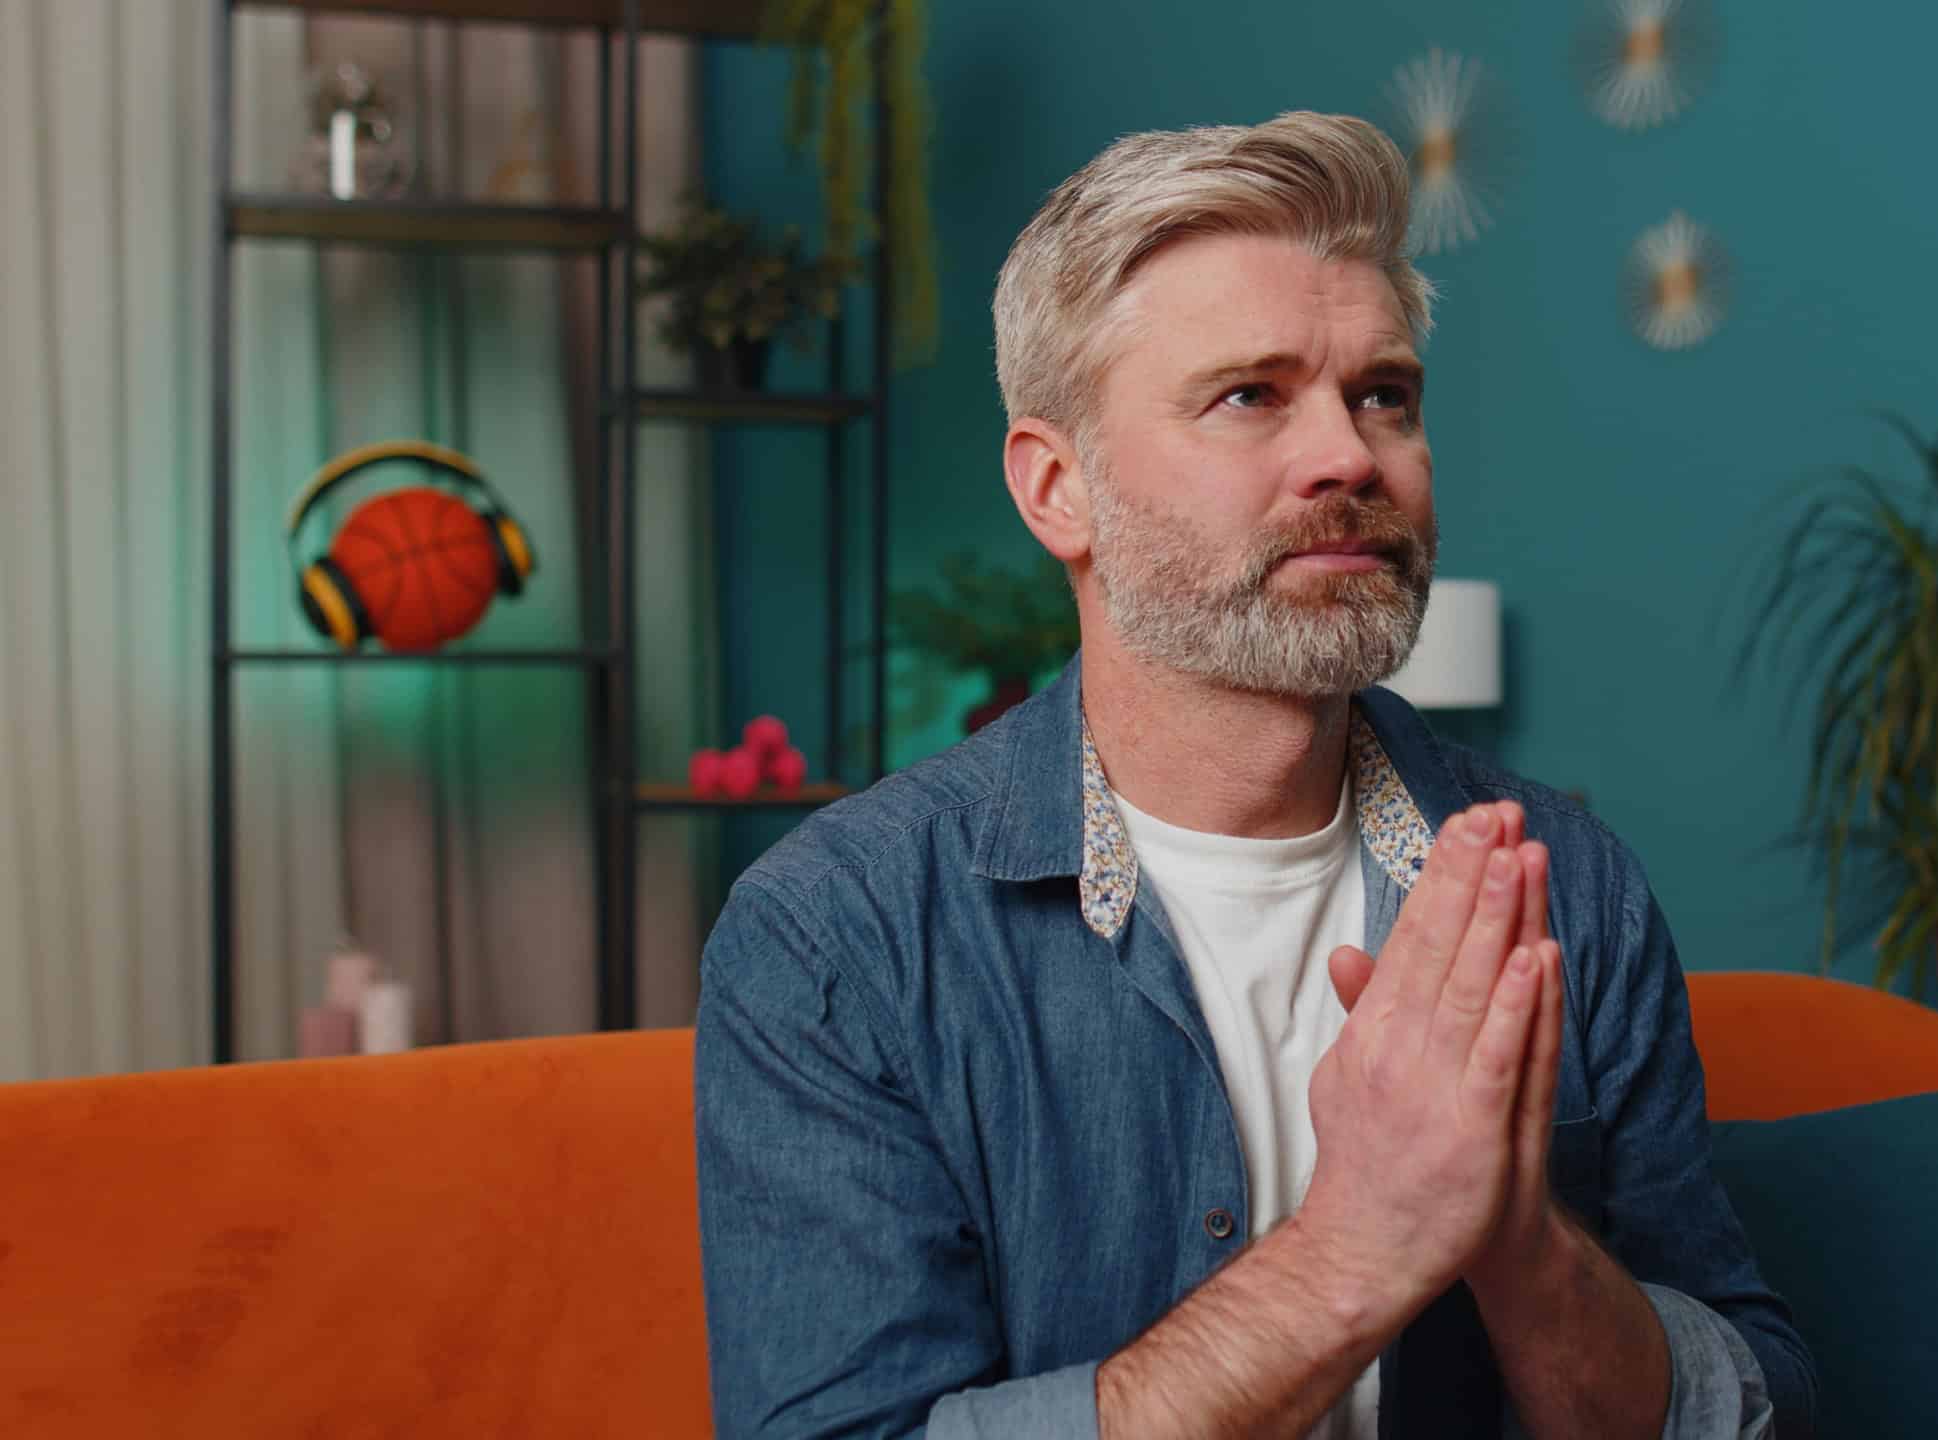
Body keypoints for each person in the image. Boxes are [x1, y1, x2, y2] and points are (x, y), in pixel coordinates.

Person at [693, 111, 1814, 1440]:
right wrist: (1358, 1246)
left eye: (1383, 395)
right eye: (1250, 396)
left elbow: (1748, 1414)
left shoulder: (1569, 887)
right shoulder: (839, 942)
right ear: (1059, 491)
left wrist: (1519, 1239)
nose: (1349, 454)